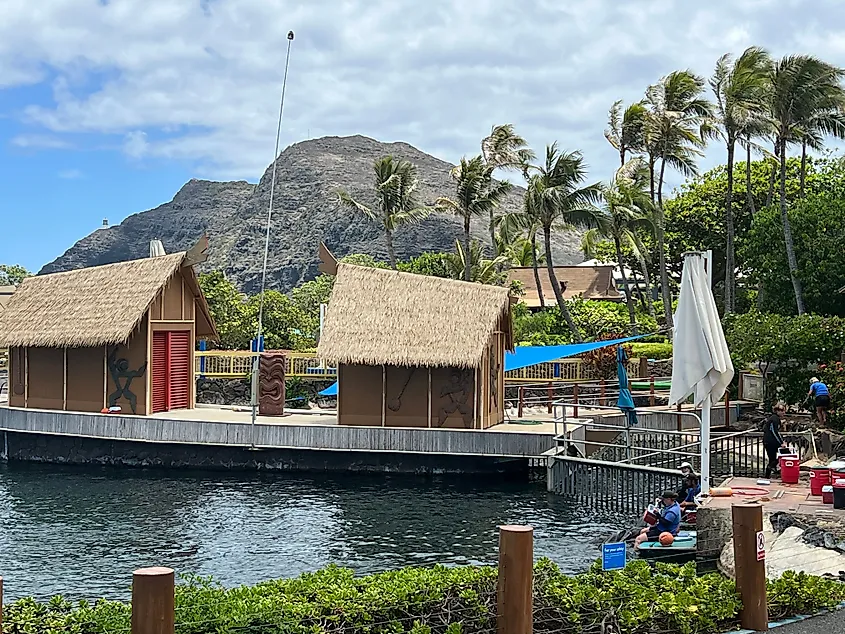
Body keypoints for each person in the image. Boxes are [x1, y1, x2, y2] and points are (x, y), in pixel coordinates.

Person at [763, 403, 786, 479]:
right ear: (777, 411)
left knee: (772, 459)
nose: (783, 412)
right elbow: (774, 432)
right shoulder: (774, 419)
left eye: (784, 410)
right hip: (770, 442)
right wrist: (781, 442)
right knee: (782, 455)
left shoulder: (775, 418)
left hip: (770, 441)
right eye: (781, 410)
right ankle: (769, 470)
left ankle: (767, 475)